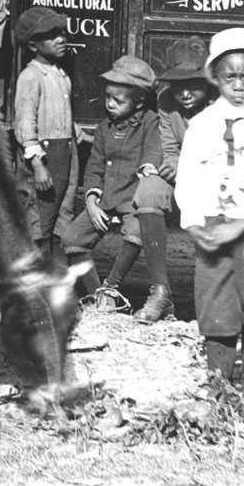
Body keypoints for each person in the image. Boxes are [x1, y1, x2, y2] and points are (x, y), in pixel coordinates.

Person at [175, 28, 244, 400]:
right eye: (229, 77)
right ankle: (219, 392)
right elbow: (189, 175)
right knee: (216, 308)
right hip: (213, 226)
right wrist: (193, 220)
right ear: (216, 78)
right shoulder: (203, 124)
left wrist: (243, 223)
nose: (238, 85)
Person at [61, 57, 172, 318]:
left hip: (133, 197)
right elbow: (95, 167)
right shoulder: (103, 128)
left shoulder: (149, 123)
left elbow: (153, 156)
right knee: (73, 239)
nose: (110, 104)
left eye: (118, 100)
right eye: (107, 97)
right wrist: (91, 200)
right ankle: (98, 295)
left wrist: (148, 169)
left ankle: (112, 285)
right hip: (107, 199)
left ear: (140, 101)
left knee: (135, 231)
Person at [12, 7, 78, 247]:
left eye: (62, 33)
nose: (61, 39)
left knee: (62, 213)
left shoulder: (61, 75)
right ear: (33, 45)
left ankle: (56, 274)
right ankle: (34, 274)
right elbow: (25, 123)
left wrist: (74, 130)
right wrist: (38, 164)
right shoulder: (31, 76)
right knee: (38, 217)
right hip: (43, 156)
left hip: (66, 152)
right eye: (52, 35)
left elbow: (60, 114)